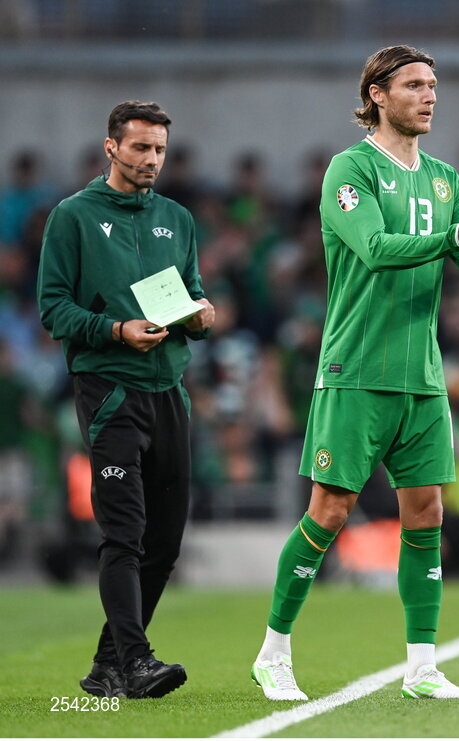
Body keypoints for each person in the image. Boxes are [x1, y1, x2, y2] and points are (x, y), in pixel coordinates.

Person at [250, 45, 459, 702]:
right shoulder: (350, 170)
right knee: (330, 509)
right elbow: (374, 248)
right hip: (355, 370)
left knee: (427, 512)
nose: (430, 95)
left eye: (433, 85)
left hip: (423, 376)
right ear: (376, 93)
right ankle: (274, 651)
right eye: (414, 85)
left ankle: (422, 666)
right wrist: (455, 240)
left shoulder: (444, 179)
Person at [37, 101, 216, 699]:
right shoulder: (74, 217)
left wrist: (202, 315)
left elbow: (191, 294)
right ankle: (136, 661)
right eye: (140, 148)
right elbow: (53, 307)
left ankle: (107, 666)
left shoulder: (176, 218)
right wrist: (116, 331)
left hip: (170, 391)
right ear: (110, 147)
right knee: (125, 534)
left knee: (164, 543)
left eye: (159, 150)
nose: (151, 160)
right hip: (111, 390)